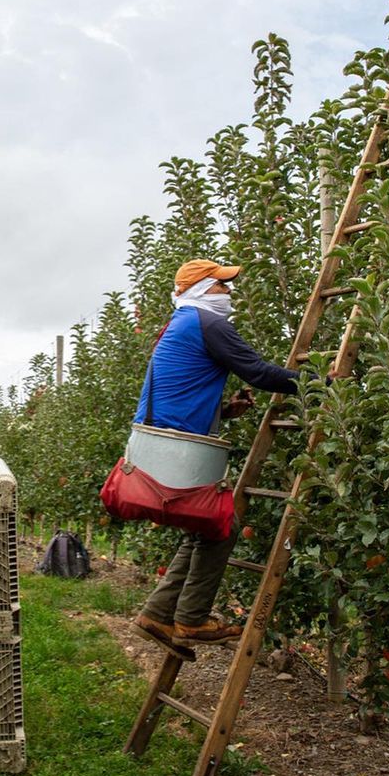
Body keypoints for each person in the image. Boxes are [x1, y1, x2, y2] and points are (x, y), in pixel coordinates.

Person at [133, 258, 302, 647]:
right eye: (221, 285)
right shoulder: (208, 323)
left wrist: (224, 410)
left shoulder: (178, 325)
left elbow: (178, 391)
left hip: (157, 441)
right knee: (221, 525)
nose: (228, 292)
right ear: (200, 290)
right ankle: (191, 620)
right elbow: (259, 373)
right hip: (176, 447)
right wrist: (320, 384)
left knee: (202, 527)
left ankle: (158, 614)